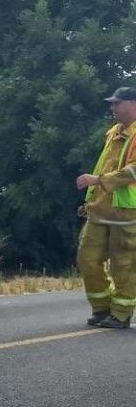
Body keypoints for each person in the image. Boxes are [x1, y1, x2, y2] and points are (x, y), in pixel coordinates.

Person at [75, 86, 136, 329]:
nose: (113, 108)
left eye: (117, 103)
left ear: (133, 104)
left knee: (125, 265)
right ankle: (102, 309)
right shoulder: (113, 132)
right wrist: (92, 197)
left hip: (128, 214)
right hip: (100, 208)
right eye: (112, 104)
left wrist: (98, 180)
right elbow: (105, 164)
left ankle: (121, 314)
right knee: (87, 258)